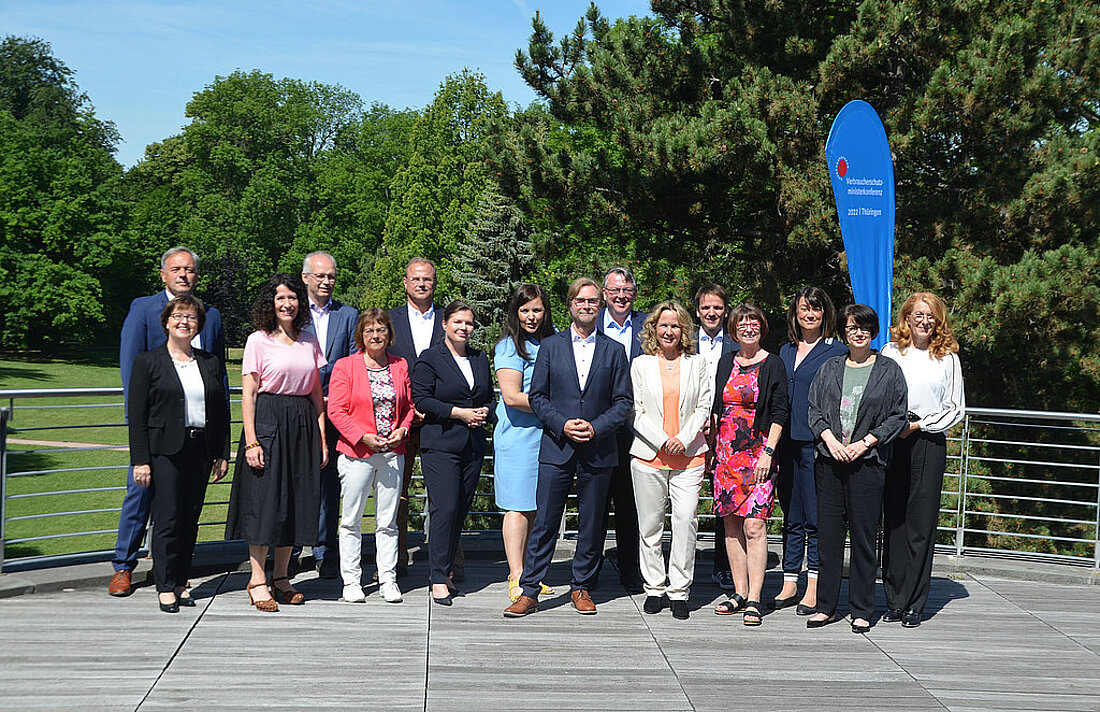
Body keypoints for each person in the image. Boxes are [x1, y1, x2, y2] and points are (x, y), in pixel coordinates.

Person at [503, 277, 632, 618]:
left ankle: (581, 586)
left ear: (599, 305)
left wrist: (597, 426)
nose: (587, 306)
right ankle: (529, 590)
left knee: (591, 522)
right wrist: (561, 423)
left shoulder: (614, 351)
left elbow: (623, 402)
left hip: (598, 447)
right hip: (557, 445)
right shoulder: (551, 347)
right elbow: (538, 397)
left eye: (592, 301)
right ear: (571, 305)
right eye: (580, 301)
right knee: (545, 520)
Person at [110, 246, 226, 597]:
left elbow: (216, 379)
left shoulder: (210, 315)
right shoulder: (143, 309)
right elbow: (132, 369)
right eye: (176, 269)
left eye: (189, 270)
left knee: (184, 507)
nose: (183, 275)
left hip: (195, 436)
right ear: (163, 274)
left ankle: (173, 569)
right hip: (156, 431)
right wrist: (140, 437)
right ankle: (124, 566)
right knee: (141, 494)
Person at [225, 274, 327, 612]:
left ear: (301, 302)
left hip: (302, 424)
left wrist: (322, 438)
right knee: (264, 503)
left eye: (293, 298)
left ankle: (282, 577)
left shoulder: (309, 340)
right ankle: (257, 579)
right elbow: (249, 394)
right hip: (268, 421)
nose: (287, 304)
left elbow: (315, 393)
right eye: (280, 298)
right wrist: (251, 441)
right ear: (270, 303)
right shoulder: (258, 340)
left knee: (295, 502)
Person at [806, 304, 907, 633]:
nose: (858, 332)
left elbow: (897, 415)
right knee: (829, 538)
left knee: (864, 538)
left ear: (873, 331)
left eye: (864, 327)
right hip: (829, 461)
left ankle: (862, 608)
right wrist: (831, 441)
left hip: (867, 463)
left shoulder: (889, 370)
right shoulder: (830, 368)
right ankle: (826, 606)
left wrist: (865, 443)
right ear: (843, 332)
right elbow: (814, 410)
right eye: (852, 327)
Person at [127, 296, 230, 612]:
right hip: (165, 452)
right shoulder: (148, 362)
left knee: (190, 520)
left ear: (199, 324)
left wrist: (222, 453)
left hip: (201, 450)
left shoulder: (210, 361)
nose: (184, 321)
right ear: (167, 321)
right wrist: (140, 459)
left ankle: (183, 582)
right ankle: (165, 585)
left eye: (191, 317)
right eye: (179, 315)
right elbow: (137, 413)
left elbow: (221, 410)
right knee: (168, 519)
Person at [881, 292, 965, 628]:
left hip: (927, 441)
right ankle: (893, 599)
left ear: (938, 320)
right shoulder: (890, 352)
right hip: (892, 440)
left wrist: (918, 424)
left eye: (930, 316)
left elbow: (955, 407)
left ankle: (915, 602)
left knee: (921, 523)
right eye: (918, 314)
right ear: (906, 317)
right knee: (894, 521)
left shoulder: (947, 358)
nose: (924, 321)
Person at [630, 301, 713, 620]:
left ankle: (679, 591)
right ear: (654, 328)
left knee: (684, 523)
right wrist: (663, 439)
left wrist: (684, 438)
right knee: (650, 527)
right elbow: (636, 411)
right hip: (649, 456)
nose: (669, 331)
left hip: (689, 456)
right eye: (664, 325)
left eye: (675, 325)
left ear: (684, 330)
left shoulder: (698, 363)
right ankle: (654, 587)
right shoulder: (640, 364)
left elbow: (703, 407)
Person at [411, 300, 496, 606]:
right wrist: (458, 413)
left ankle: (445, 569)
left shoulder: (478, 358)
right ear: (445, 324)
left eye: (469, 323)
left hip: (472, 445)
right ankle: (436, 578)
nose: (464, 328)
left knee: (459, 509)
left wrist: (486, 409)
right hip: (441, 444)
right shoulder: (430, 358)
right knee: (444, 509)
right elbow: (421, 400)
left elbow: (487, 396)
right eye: (458, 322)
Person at [327, 309, 413, 604]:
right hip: (357, 453)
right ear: (361, 336)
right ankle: (351, 581)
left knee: (388, 521)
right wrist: (361, 436)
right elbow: (335, 410)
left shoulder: (400, 365)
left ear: (389, 334)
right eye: (369, 331)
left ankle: (388, 578)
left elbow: (409, 406)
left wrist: (403, 428)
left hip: (391, 453)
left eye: (381, 330)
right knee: (351, 520)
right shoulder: (346, 366)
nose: (376, 336)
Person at [710, 304, 788, 626]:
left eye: (753, 323)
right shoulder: (726, 361)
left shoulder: (774, 364)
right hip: (726, 454)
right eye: (742, 323)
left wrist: (768, 452)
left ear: (762, 327)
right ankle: (739, 592)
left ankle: (756, 597)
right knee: (730, 525)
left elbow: (781, 412)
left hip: (759, 454)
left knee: (754, 526)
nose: (748, 328)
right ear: (734, 329)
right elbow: (717, 405)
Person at [774, 287, 847, 615]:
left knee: (816, 517)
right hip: (784, 443)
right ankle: (790, 579)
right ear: (795, 312)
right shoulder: (785, 350)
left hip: (817, 444)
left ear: (825, 313)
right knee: (791, 513)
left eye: (816, 309)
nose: (809, 314)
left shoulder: (836, 351)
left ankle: (814, 584)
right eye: (804, 308)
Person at [493, 285, 558, 603]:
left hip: (547, 436)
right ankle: (516, 576)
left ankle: (531, 573)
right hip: (518, 437)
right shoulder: (509, 346)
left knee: (536, 508)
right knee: (517, 507)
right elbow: (512, 396)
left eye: (537, 310)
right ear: (515, 313)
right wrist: (555, 407)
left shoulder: (552, 340)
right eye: (525, 310)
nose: (532, 316)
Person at [301, 251, 359, 579]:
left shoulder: (348, 315)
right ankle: (292, 549)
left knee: (329, 484)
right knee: (294, 480)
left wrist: (331, 395)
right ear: (306, 277)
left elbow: (352, 361)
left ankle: (325, 552)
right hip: (296, 407)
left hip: (334, 409)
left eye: (331, 276)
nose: (326, 282)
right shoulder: (292, 310)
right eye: (320, 276)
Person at [388, 258, 445, 577]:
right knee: (397, 491)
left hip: (438, 418)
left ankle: (449, 559)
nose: (422, 284)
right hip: (400, 419)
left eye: (428, 279)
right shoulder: (391, 320)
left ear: (434, 283)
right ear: (406, 283)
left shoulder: (447, 319)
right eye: (416, 279)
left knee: (444, 492)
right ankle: (396, 558)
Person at [596, 266, 647, 591]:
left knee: (630, 504)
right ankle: (590, 571)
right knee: (595, 503)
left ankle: (631, 569)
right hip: (597, 427)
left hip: (636, 427)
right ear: (604, 294)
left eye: (626, 290)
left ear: (634, 294)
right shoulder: (590, 324)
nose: (620, 296)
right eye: (615, 290)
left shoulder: (646, 327)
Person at [693, 283, 738, 592]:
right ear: (697, 311)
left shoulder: (738, 344)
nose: (712, 313)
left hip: (726, 432)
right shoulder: (683, 342)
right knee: (684, 502)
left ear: (725, 311)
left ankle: (725, 567)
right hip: (686, 430)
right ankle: (681, 569)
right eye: (706, 307)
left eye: (717, 308)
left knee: (726, 502)